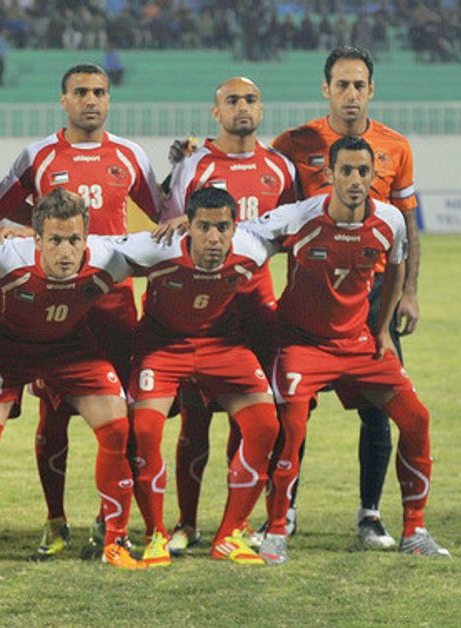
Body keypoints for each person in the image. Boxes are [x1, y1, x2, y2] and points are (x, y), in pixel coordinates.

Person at [243, 136, 449, 564]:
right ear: (331, 175)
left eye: (363, 172)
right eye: (347, 171)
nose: (355, 180)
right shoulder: (299, 217)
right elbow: (244, 236)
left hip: (358, 344)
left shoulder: (389, 220)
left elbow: (394, 271)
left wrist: (384, 330)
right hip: (301, 343)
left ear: (374, 177)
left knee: (417, 420)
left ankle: (415, 529)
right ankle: (277, 529)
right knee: (292, 427)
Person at [0, 63, 162, 556]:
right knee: (55, 416)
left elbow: (166, 212)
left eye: (100, 92)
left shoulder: (129, 155)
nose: (91, 100)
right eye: (81, 92)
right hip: (55, 309)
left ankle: (112, 520)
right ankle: (55, 519)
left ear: (109, 99)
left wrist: (184, 169)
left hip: (113, 308)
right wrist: (26, 231)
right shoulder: (38, 154)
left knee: (120, 418)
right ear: (63, 99)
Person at [0, 188, 144, 574]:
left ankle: (115, 540)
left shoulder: (107, 255)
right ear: (36, 239)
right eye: (55, 240)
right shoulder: (6, 254)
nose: (66, 251)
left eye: (74, 240)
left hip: (71, 348)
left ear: (87, 238)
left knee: (117, 427)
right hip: (5, 350)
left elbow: (167, 249)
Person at [271, 46, 420, 548]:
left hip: (373, 295)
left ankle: (370, 515)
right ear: (326, 88)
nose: (351, 94)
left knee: (379, 406)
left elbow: (406, 227)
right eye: (341, 85)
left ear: (371, 90)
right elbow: (262, 202)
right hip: (308, 298)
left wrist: (409, 294)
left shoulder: (395, 147)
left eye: (359, 85)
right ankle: (284, 512)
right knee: (293, 409)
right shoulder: (294, 143)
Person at [161, 77, 296, 554]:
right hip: (205, 314)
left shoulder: (280, 168)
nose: (243, 107)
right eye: (232, 100)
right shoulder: (193, 165)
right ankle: (186, 523)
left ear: (262, 109)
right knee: (194, 422)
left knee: (256, 422)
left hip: (257, 312)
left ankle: (237, 527)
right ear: (215, 111)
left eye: (251, 100)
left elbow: (294, 237)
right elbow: (169, 233)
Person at [117, 186, 279, 567]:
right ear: (187, 226)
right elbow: (98, 247)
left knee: (265, 425)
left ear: (235, 227)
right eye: (203, 227)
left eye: (222, 227)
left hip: (222, 345)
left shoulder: (251, 251)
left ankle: (229, 534)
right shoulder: (158, 248)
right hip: (162, 346)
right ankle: (156, 534)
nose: (213, 237)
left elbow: (298, 222)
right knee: (144, 431)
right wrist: (26, 240)